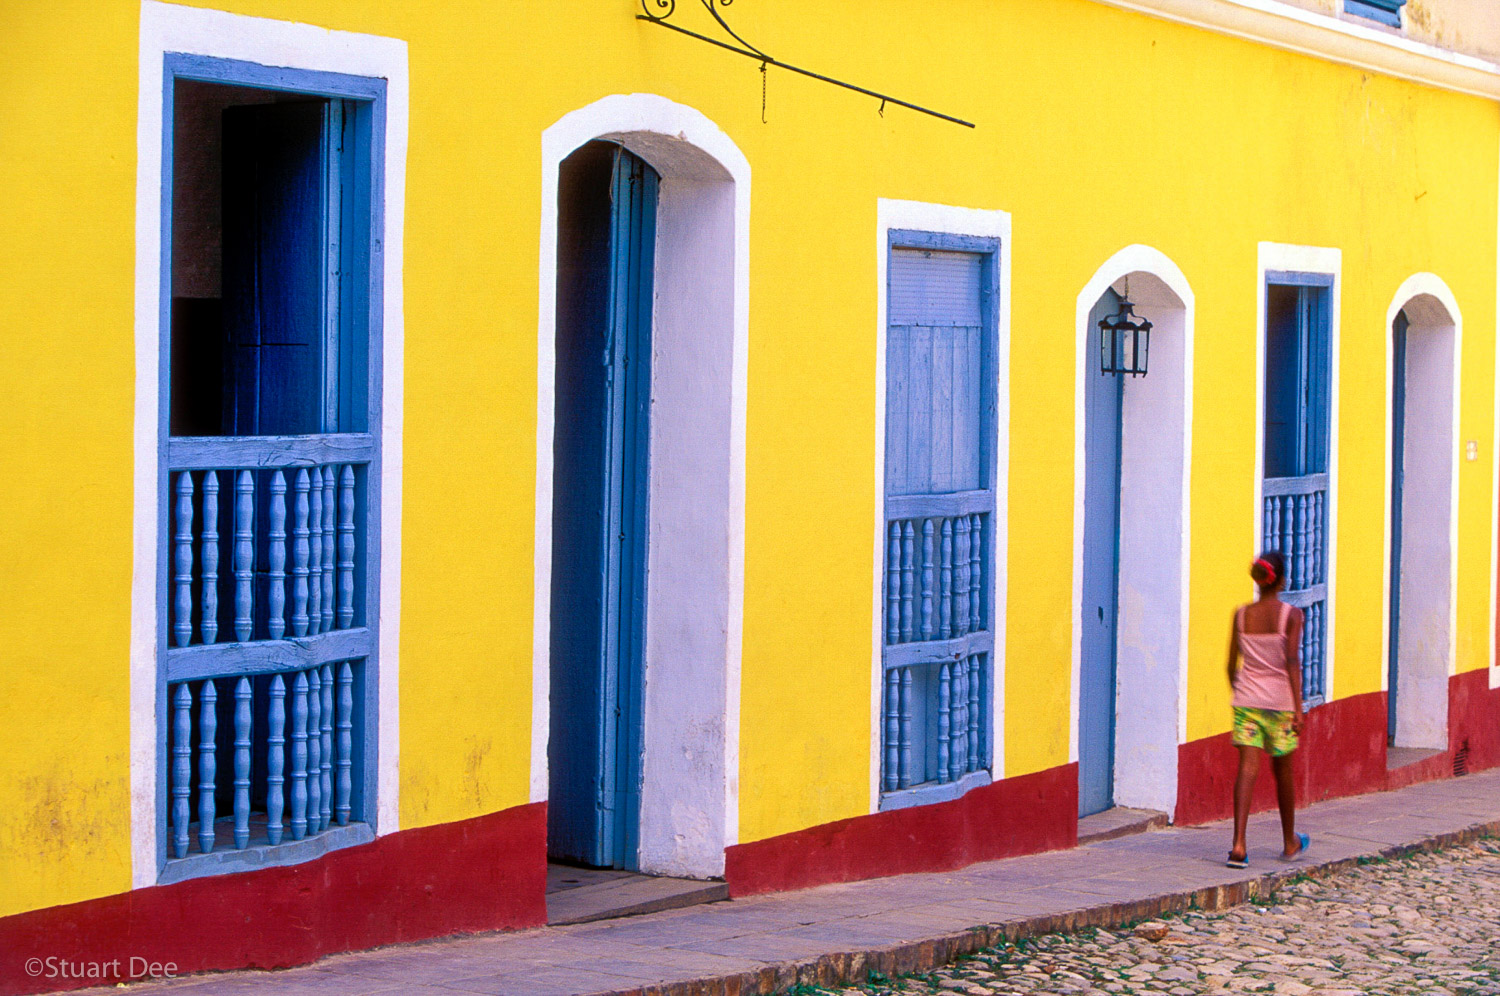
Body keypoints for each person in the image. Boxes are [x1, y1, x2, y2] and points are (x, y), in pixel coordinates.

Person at [1225, 550, 1309, 868]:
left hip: (1247, 701)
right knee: (1282, 772)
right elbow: (1291, 661)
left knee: (1247, 771)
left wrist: (1241, 692)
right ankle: (1289, 841)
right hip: (1280, 705)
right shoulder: (1291, 615)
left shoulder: (1241, 614)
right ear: (1282, 580)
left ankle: (1238, 844)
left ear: (1259, 580)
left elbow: (1230, 664)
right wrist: (1298, 710)